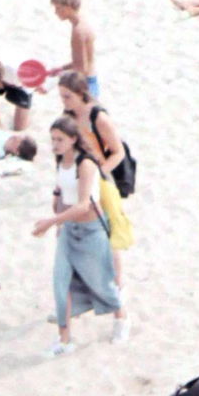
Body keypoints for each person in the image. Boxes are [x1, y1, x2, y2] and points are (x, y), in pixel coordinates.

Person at [38, 116, 126, 355]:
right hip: (69, 229)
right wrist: (57, 215)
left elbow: (83, 204)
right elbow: (61, 191)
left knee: (102, 282)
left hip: (91, 229)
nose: (55, 144)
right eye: (53, 139)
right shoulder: (61, 160)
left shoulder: (85, 164)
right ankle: (64, 339)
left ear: (73, 139)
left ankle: (121, 319)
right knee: (61, 283)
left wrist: (51, 222)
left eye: (60, 140)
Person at [56, 70, 132, 284]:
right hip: (76, 177)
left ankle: (117, 284)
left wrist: (98, 173)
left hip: (99, 179)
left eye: (67, 96)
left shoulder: (98, 117)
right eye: (61, 96)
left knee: (108, 233)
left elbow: (118, 152)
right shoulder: (68, 116)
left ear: (81, 93)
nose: (64, 101)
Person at [49, 0, 97, 95]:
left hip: (84, 86)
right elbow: (82, 61)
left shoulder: (78, 32)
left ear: (68, 7)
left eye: (58, 8)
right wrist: (61, 68)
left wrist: (55, 80)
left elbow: (81, 69)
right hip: (92, 81)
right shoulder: (84, 23)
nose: (56, 12)